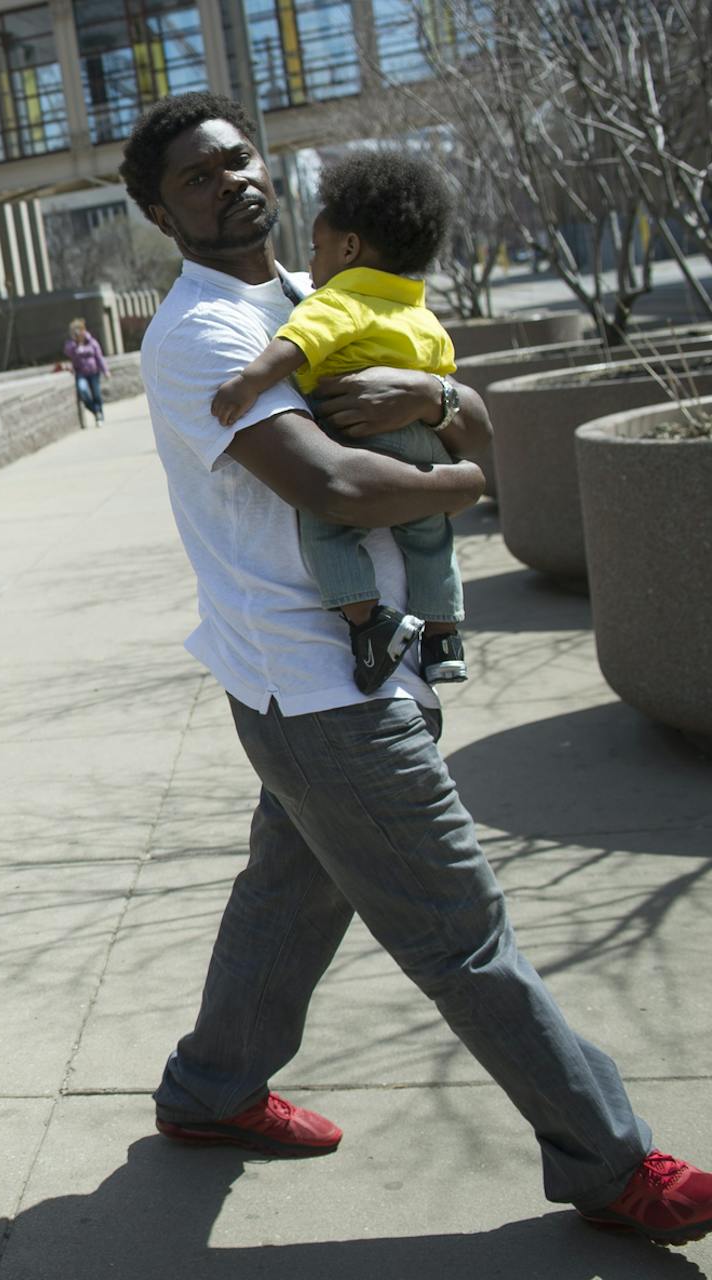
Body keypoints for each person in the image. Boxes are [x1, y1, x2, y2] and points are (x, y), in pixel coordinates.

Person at [123, 91, 712, 1247]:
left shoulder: (320, 299)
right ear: (158, 211)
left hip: (351, 670)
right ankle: (612, 1161)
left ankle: (210, 1091)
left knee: (287, 896)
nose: (232, 182)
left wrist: (444, 401)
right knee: (463, 930)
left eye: (239, 160)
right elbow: (339, 486)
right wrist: (461, 482)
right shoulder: (200, 335)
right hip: (322, 688)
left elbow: (458, 409)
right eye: (197, 177)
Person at [211, 153, 470, 692]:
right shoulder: (423, 315)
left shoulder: (341, 299)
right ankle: (443, 636)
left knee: (327, 530)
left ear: (349, 249)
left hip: (363, 439)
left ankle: (368, 622)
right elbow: (450, 387)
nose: (313, 260)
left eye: (317, 248)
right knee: (430, 537)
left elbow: (297, 344)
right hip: (423, 445)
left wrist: (249, 383)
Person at [64, 317, 107, 425]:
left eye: (79, 330)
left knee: (96, 394)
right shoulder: (72, 344)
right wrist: (76, 342)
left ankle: (99, 416)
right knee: (83, 391)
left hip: (93, 372)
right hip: (81, 373)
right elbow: (67, 351)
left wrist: (105, 370)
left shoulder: (92, 342)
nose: (78, 333)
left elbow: (99, 357)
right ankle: (96, 411)